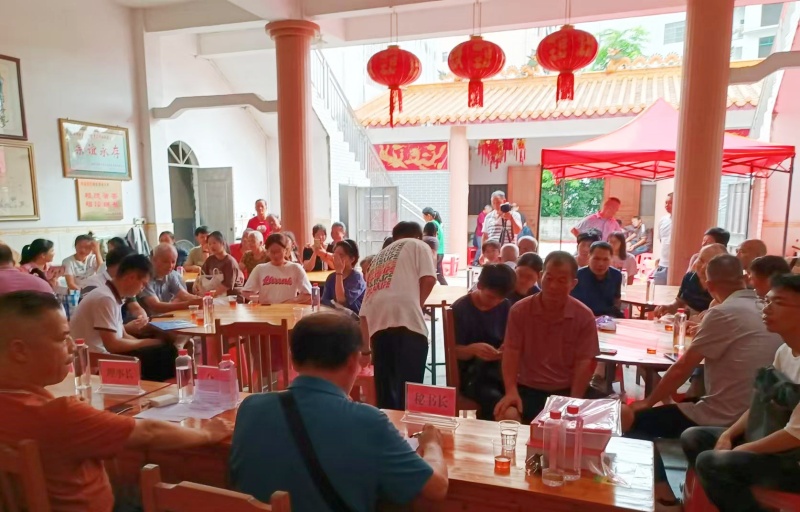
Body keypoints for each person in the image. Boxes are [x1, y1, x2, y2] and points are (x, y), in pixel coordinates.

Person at [0, 291, 231, 512]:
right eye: (62, 338)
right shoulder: (59, 416)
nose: (72, 346)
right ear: (19, 351)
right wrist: (207, 434)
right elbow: (149, 432)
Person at [230, 312, 448, 511]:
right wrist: (431, 443)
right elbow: (436, 488)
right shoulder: (368, 421)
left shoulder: (250, 408)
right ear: (353, 361)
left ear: (292, 359)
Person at [623, 255, 783, 509]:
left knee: (630, 420)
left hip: (726, 415)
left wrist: (648, 401)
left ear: (709, 286)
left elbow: (682, 368)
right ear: (744, 279)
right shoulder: (766, 309)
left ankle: (663, 493)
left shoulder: (723, 312)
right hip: (764, 415)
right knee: (690, 402)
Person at [679, 274, 800, 512]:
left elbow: (794, 435)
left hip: (794, 459)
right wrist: (729, 435)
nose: (767, 309)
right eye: (767, 301)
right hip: (775, 442)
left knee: (712, 463)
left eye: (779, 303)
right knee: (694, 437)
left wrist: (743, 449)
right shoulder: (784, 351)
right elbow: (759, 405)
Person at [494, 251, 599, 423]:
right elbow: (511, 351)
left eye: (561, 281)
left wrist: (574, 401)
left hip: (568, 389)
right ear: (540, 277)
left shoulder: (584, 316)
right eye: (549, 279)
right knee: (507, 415)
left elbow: (584, 362)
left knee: (622, 413)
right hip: (528, 388)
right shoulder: (520, 310)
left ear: (573, 284)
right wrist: (511, 391)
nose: (553, 286)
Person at [360, 221, 437, 410]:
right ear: (418, 236)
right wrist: (417, 305)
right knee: (410, 393)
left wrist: (366, 350)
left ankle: (388, 426)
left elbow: (364, 313)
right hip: (408, 323)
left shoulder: (379, 258)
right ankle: (407, 428)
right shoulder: (419, 245)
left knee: (385, 395)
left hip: (378, 327)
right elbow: (429, 278)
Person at [69, 254, 177, 381]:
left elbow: (123, 335)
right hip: (94, 359)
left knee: (165, 348)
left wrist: (150, 343)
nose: (142, 289)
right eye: (143, 284)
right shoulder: (105, 298)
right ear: (131, 277)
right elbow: (113, 345)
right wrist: (150, 342)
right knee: (163, 355)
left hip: (105, 353)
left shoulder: (112, 295)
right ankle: (159, 388)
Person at [452, 264, 516, 420]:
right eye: (491, 297)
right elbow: (452, 352)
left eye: (500, 299)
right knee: (504, 408)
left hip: (500, 372)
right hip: (472, 376)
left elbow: (512, 341)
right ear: (479, 285)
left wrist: (504, 350)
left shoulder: (506, 306)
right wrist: (472, 350)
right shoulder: (460, 308)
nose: (495, 302)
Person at [655, 244, 728, 318]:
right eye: (701, 260)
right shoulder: (689, 277)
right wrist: (669, 307)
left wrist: (712, 314)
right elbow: (679, 302)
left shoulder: (723, 287)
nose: (703, 267)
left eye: (710, 264)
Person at [242, 233, 312, 305]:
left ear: (285, 250)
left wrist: (291, 302)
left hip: (287, 310)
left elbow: (308, 293)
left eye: (279, 251)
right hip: (266, 310)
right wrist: (259, 299)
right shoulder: (260, 269)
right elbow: (246, 291)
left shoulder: (295, 268)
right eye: (272, 252)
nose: (275, 255)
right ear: (267, 252)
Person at [138, 244, 202, 315]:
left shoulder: (171, 274)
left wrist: (201, 299)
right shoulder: (144, 277)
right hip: (151, 319)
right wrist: (188, 304)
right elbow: (155, 306)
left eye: (173, 262)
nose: (170, 266)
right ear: (153, 260)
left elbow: (183, 295)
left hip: (167, 316)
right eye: (165, 261)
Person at [571, 241, 623, 318]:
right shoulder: (577, 276)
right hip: (583, 319)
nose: (600, 264)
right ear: (589, 257)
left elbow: (616, 300)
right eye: (596, 259)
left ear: (611, 259)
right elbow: (572, 305)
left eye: (605, 259)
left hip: (608, 319)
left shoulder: (616, 275)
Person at [322, 239, 367, 314]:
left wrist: (339, 272)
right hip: (334, 315)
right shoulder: (331, 277)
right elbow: (324, 302)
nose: (336, 259)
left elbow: (341, 301)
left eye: (341, 255)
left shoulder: (356, 277)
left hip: (352, 318)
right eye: (335, 255)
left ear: (352, 259)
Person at [653, 193, 673, 285]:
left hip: (676, 266)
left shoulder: (684, 221)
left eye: (670, 203)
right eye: (666, 202)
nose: (667, 205)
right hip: (662, 264)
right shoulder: (663, 220)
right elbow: (662, 241)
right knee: (658, 291)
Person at [422, 207, 446, 285]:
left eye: (424, 216)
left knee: (435, 273)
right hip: (440, 251)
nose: (423, 218)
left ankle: (444, 286)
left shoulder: (431, 224)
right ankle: (444, 286)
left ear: (428, 215)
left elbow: (432, 238)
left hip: (436, 252)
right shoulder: (437, 223)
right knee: (438, 273)